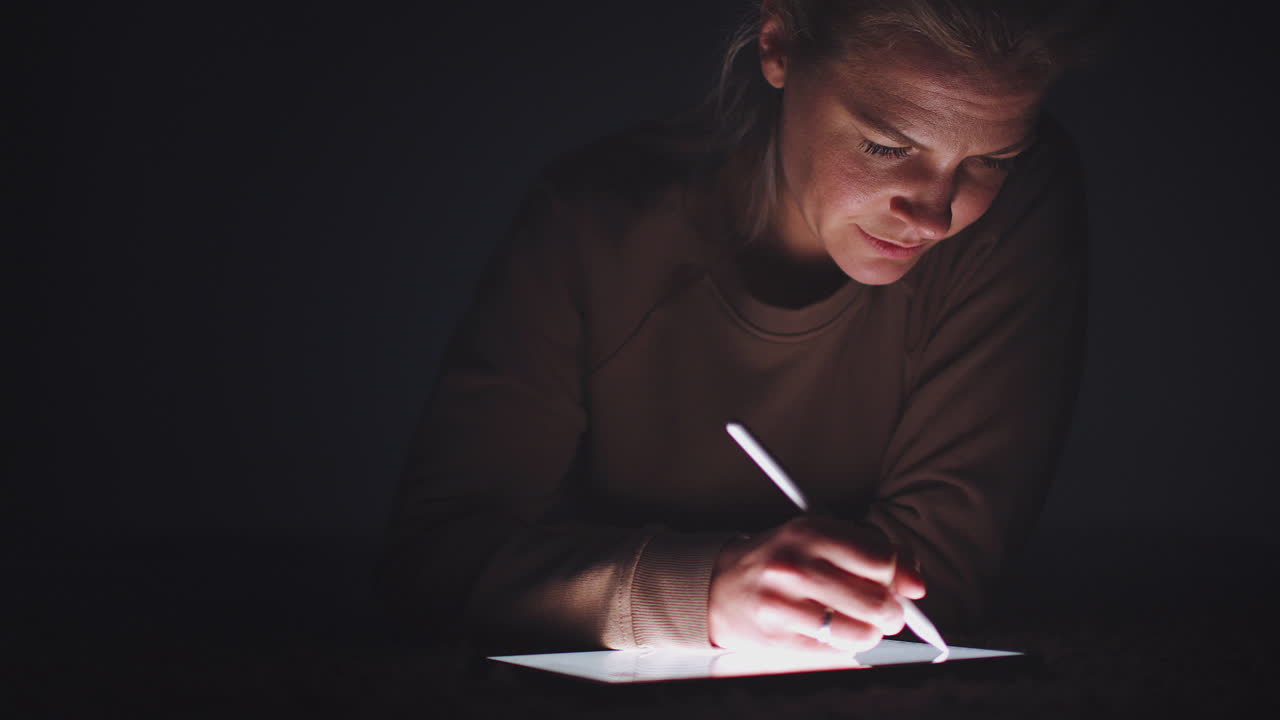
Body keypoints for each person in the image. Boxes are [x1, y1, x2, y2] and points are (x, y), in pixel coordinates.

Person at [380, 0, 1111, 654]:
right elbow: (434, 562)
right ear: (778, 44)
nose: (935, 213)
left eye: (991, 161)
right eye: (886, 147)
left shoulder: (1017, 214)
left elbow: (938, 579)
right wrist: (703, 595)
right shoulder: (594, 224)